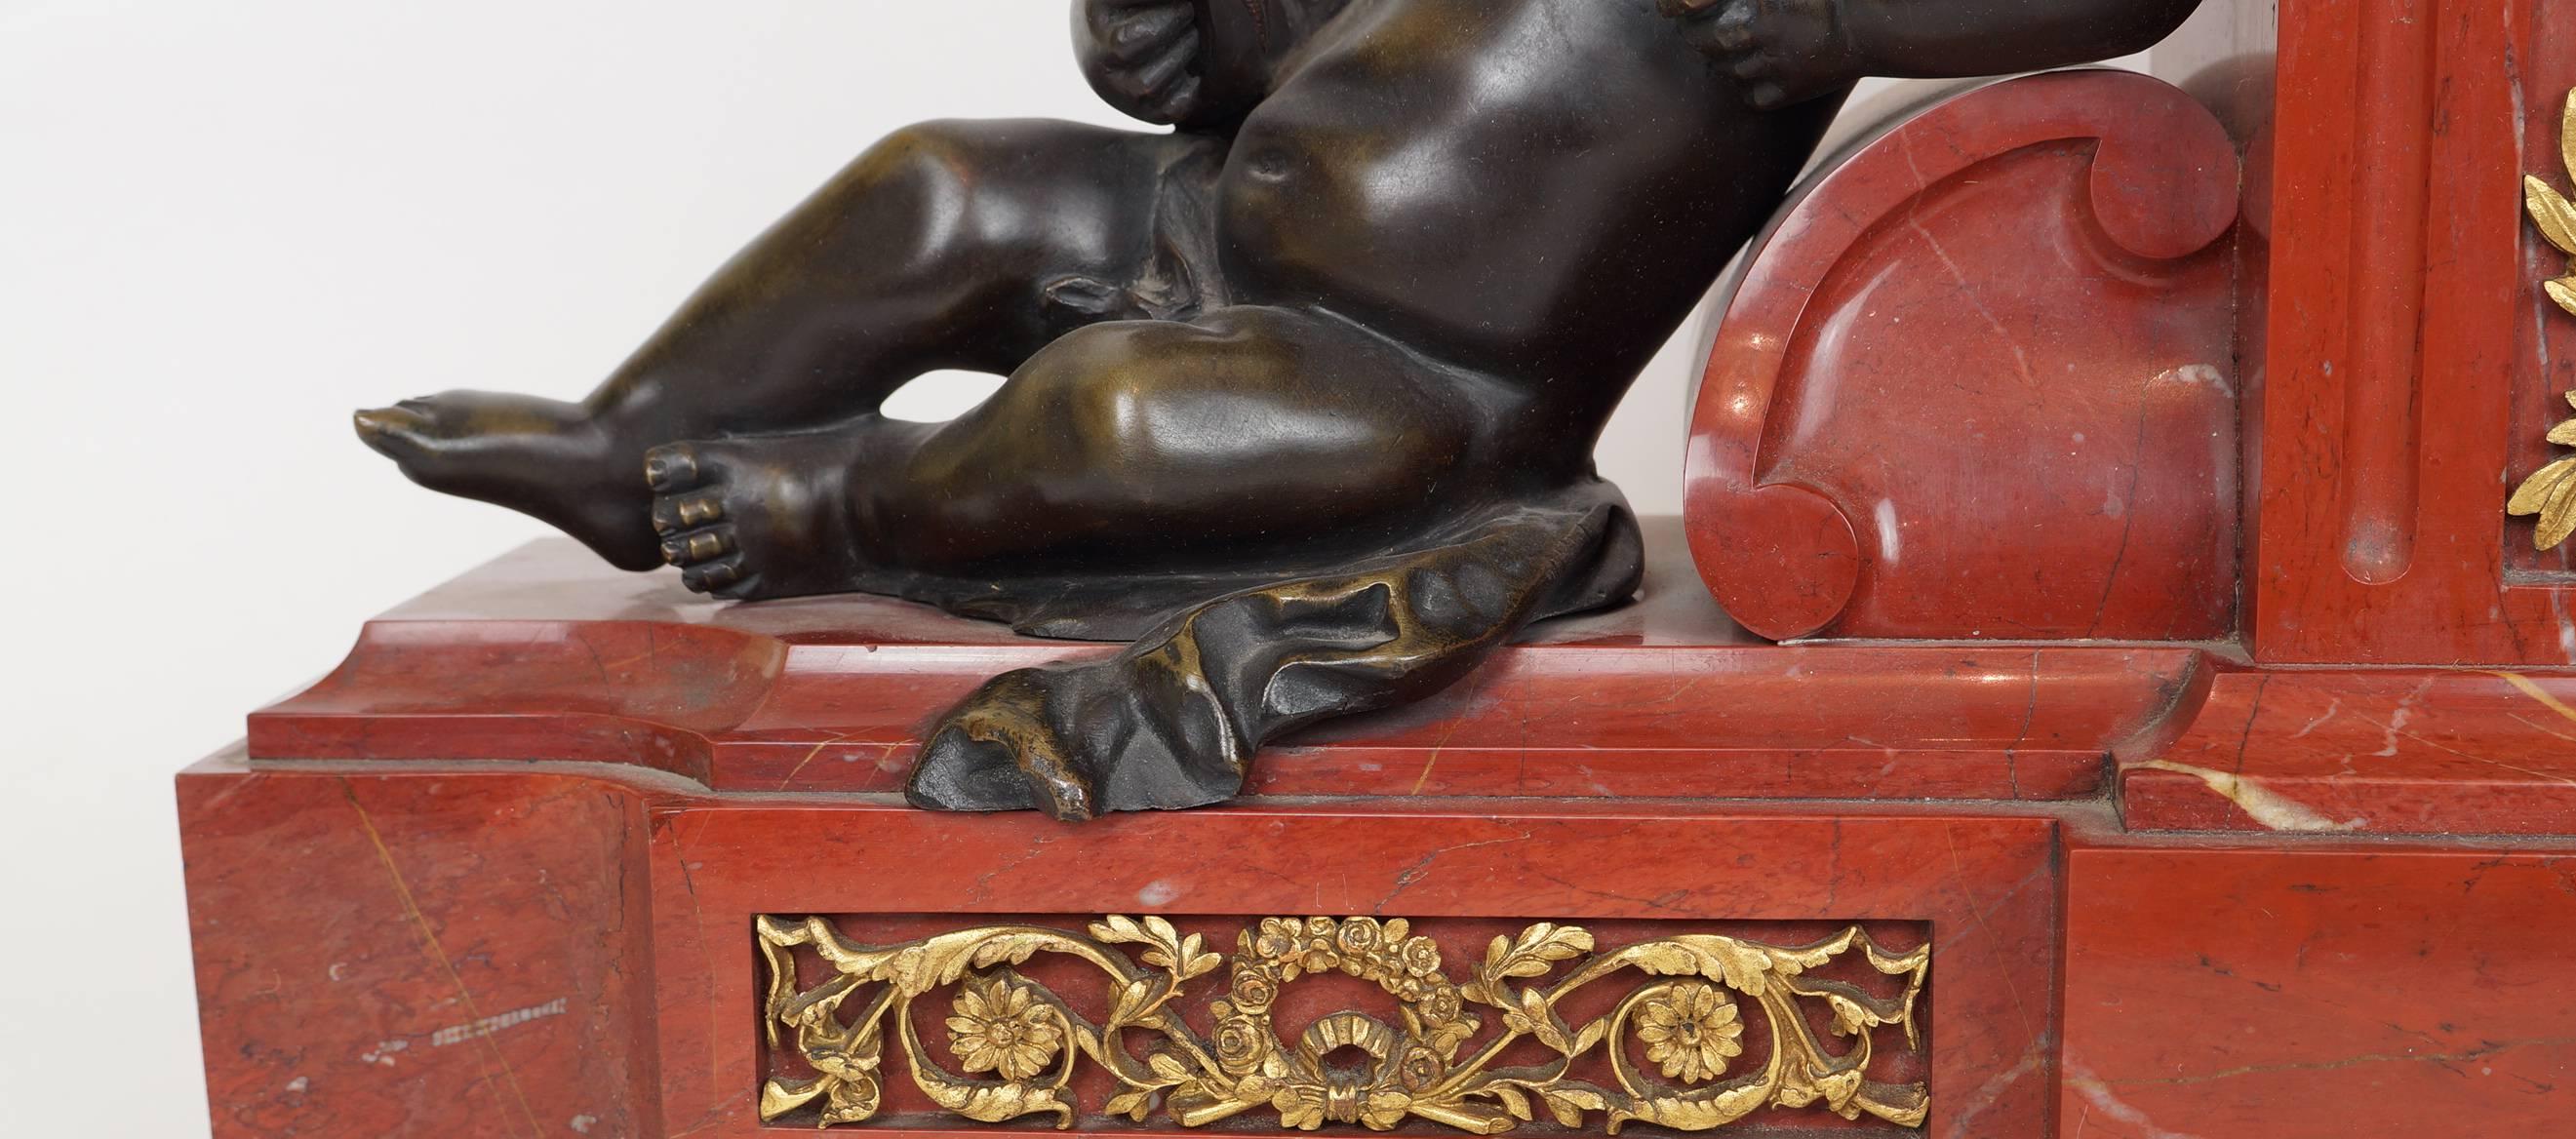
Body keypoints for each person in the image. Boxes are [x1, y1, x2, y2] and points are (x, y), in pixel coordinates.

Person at [357, 0, 2200, 816]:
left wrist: (1829, 20)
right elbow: (1277, 53)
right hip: (1199, 226)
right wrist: (1178, 38)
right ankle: (629, 440)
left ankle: (837, 504)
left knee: (1125, 426)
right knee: (937, 186)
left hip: (1410, 380)